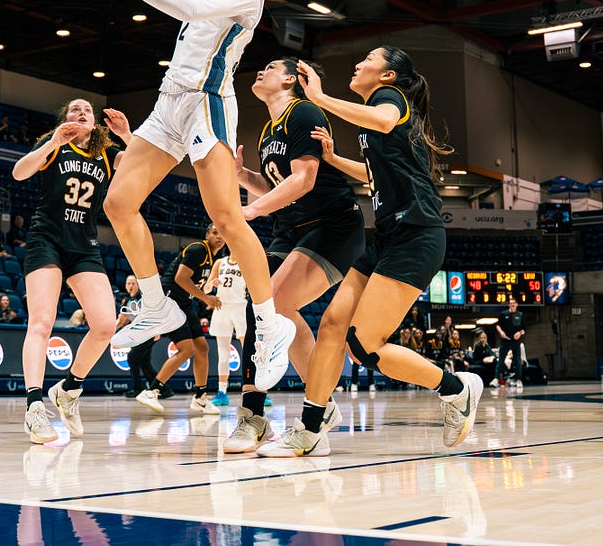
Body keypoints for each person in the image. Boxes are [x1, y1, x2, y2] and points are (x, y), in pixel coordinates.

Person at [87, 0, 298, 393]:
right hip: (168, 102)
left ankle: (269, 323)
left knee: (226, 217)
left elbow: (191, 11)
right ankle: (157, 305)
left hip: (207, 102)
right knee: (117, 203)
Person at [260, 48, 483, 458]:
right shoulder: (374, 118)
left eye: (368, 59)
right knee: (331, 325)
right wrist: (333, 159)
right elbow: (372, 173)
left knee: (363, 346)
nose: (359, 64)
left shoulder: (388, 100)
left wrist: (320, 98)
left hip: (416, 234)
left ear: (388, 75)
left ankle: (456, 389)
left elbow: (382, 120)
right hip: (385, 234)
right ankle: (311, 429)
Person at [223, 58, 369, 452]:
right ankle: (294, 409)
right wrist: (242, 177)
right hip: (291, 230)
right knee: (262, 307)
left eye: (269, 66)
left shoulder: (303, 112)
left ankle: (271, 414)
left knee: (272, 303)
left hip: (332, 225)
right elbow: (276, 182)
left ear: (290, 79)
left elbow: (304, 179)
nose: (260, 70)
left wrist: (252, 210)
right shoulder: (269, 129)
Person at [11, 97, 131, 443]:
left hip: (84, 245)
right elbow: (19, 172)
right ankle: (34, 407)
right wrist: (53, 142)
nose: (82, 112)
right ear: (65, 119)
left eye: (88, 110)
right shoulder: (54, 146)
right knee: (41, 322)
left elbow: (144, 164)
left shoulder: (107, 153)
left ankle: (69, 389)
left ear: (95, 122)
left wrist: (127, 136)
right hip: (46, 239)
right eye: (75, 109)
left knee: (105, 325)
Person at [135, 224, 225, 416]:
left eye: (222, 233)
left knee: (202, 348)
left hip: (184, 303)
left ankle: (200, 397)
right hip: (169, 302)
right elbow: (180, 278)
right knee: (187, 349)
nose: (219, 236)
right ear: (207, 234)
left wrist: (207, 291)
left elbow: (195, 284)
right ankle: (151, 391)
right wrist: (205, 298)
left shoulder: (211, 257)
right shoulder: (198, 249)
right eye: (215, 232)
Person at [207, 251, 246, 408]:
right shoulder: (219, 263)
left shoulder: (246, 262)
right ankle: (222, 392)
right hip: (221, 306)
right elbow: (206, 289)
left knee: (249, 352)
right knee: (223, 354)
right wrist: (212, 283)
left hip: (240, 307)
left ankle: (257, 391)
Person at [117, 275, 159, 398]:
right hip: (138, 336)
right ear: (125, 286)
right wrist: (110, 330)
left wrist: (157, 330)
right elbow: (122, 320)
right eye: (128, 283)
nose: (130, 286)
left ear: (138, 286)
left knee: (132, 358)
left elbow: (153, 315)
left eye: (133, 283)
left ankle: (137, 389)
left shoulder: (142, 299)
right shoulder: (127, 301)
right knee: (145, 364)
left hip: (147, 334)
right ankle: (160, 388)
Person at [493, 298, 528, 389]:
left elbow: (524, 329)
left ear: (516, 304)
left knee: (517, 360)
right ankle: (496, 378)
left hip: (516, 341)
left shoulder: (520, 315)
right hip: (505, 340)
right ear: (508, 305)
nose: (512, 305)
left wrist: (519, 333)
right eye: (511, 303)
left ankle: (518, 379)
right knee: (501, 359)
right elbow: (498, 325)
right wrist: (501, 332)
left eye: (514, 303)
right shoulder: (503, 314)